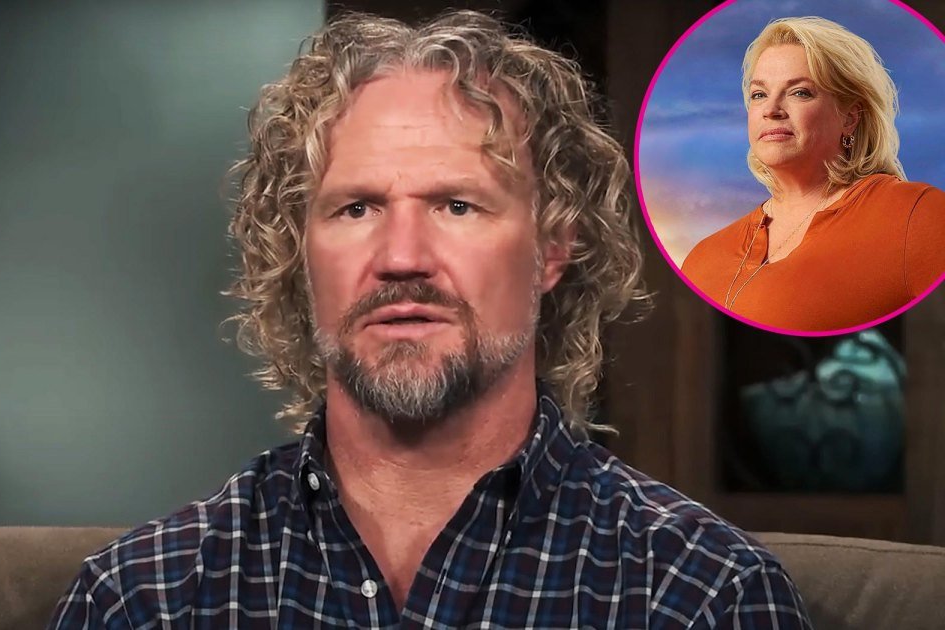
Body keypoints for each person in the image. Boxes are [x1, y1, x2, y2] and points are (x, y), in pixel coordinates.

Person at [49, 11, 812, 629]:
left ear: (552, 248)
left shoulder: (701, 595)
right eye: (357, 208)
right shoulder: (148, 598)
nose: (402, 257)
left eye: (457, 205)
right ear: (299, 254)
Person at [681, 16, 945, 332]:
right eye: (759, 94)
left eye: (800, 92)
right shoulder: (701, 258)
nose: (771, 110)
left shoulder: (916, 216)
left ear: (850, 117)